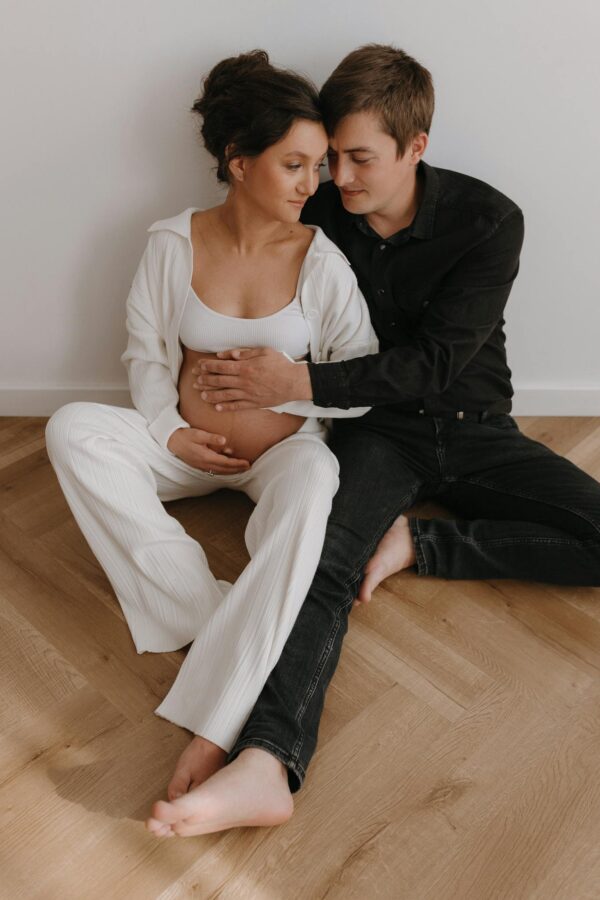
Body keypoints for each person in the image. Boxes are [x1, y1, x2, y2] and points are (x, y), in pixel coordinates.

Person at [148, 43, 600, 838]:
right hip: (375, 435)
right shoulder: (316, 209)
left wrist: (299, 384)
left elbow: (434, 365)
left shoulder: (488, 220)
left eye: (359, 159)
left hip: (476, 428)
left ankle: (422, 547)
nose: (339, 179)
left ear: (415, 147)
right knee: (320, 565)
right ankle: (265, 762)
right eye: (331, 159)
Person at [44, 50, 377, 838]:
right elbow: (144, 358)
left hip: (279, 454)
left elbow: (363, 381)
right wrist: (170, 433)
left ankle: (215, 723)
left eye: (319, 166)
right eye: (294, 164)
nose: (312, 183)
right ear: (238, 162)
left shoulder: (322, 262)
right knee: (72, 430)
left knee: (317, 480)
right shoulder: (172, 243)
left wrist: (292, 388)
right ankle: (219, 614)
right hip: (186, 450)